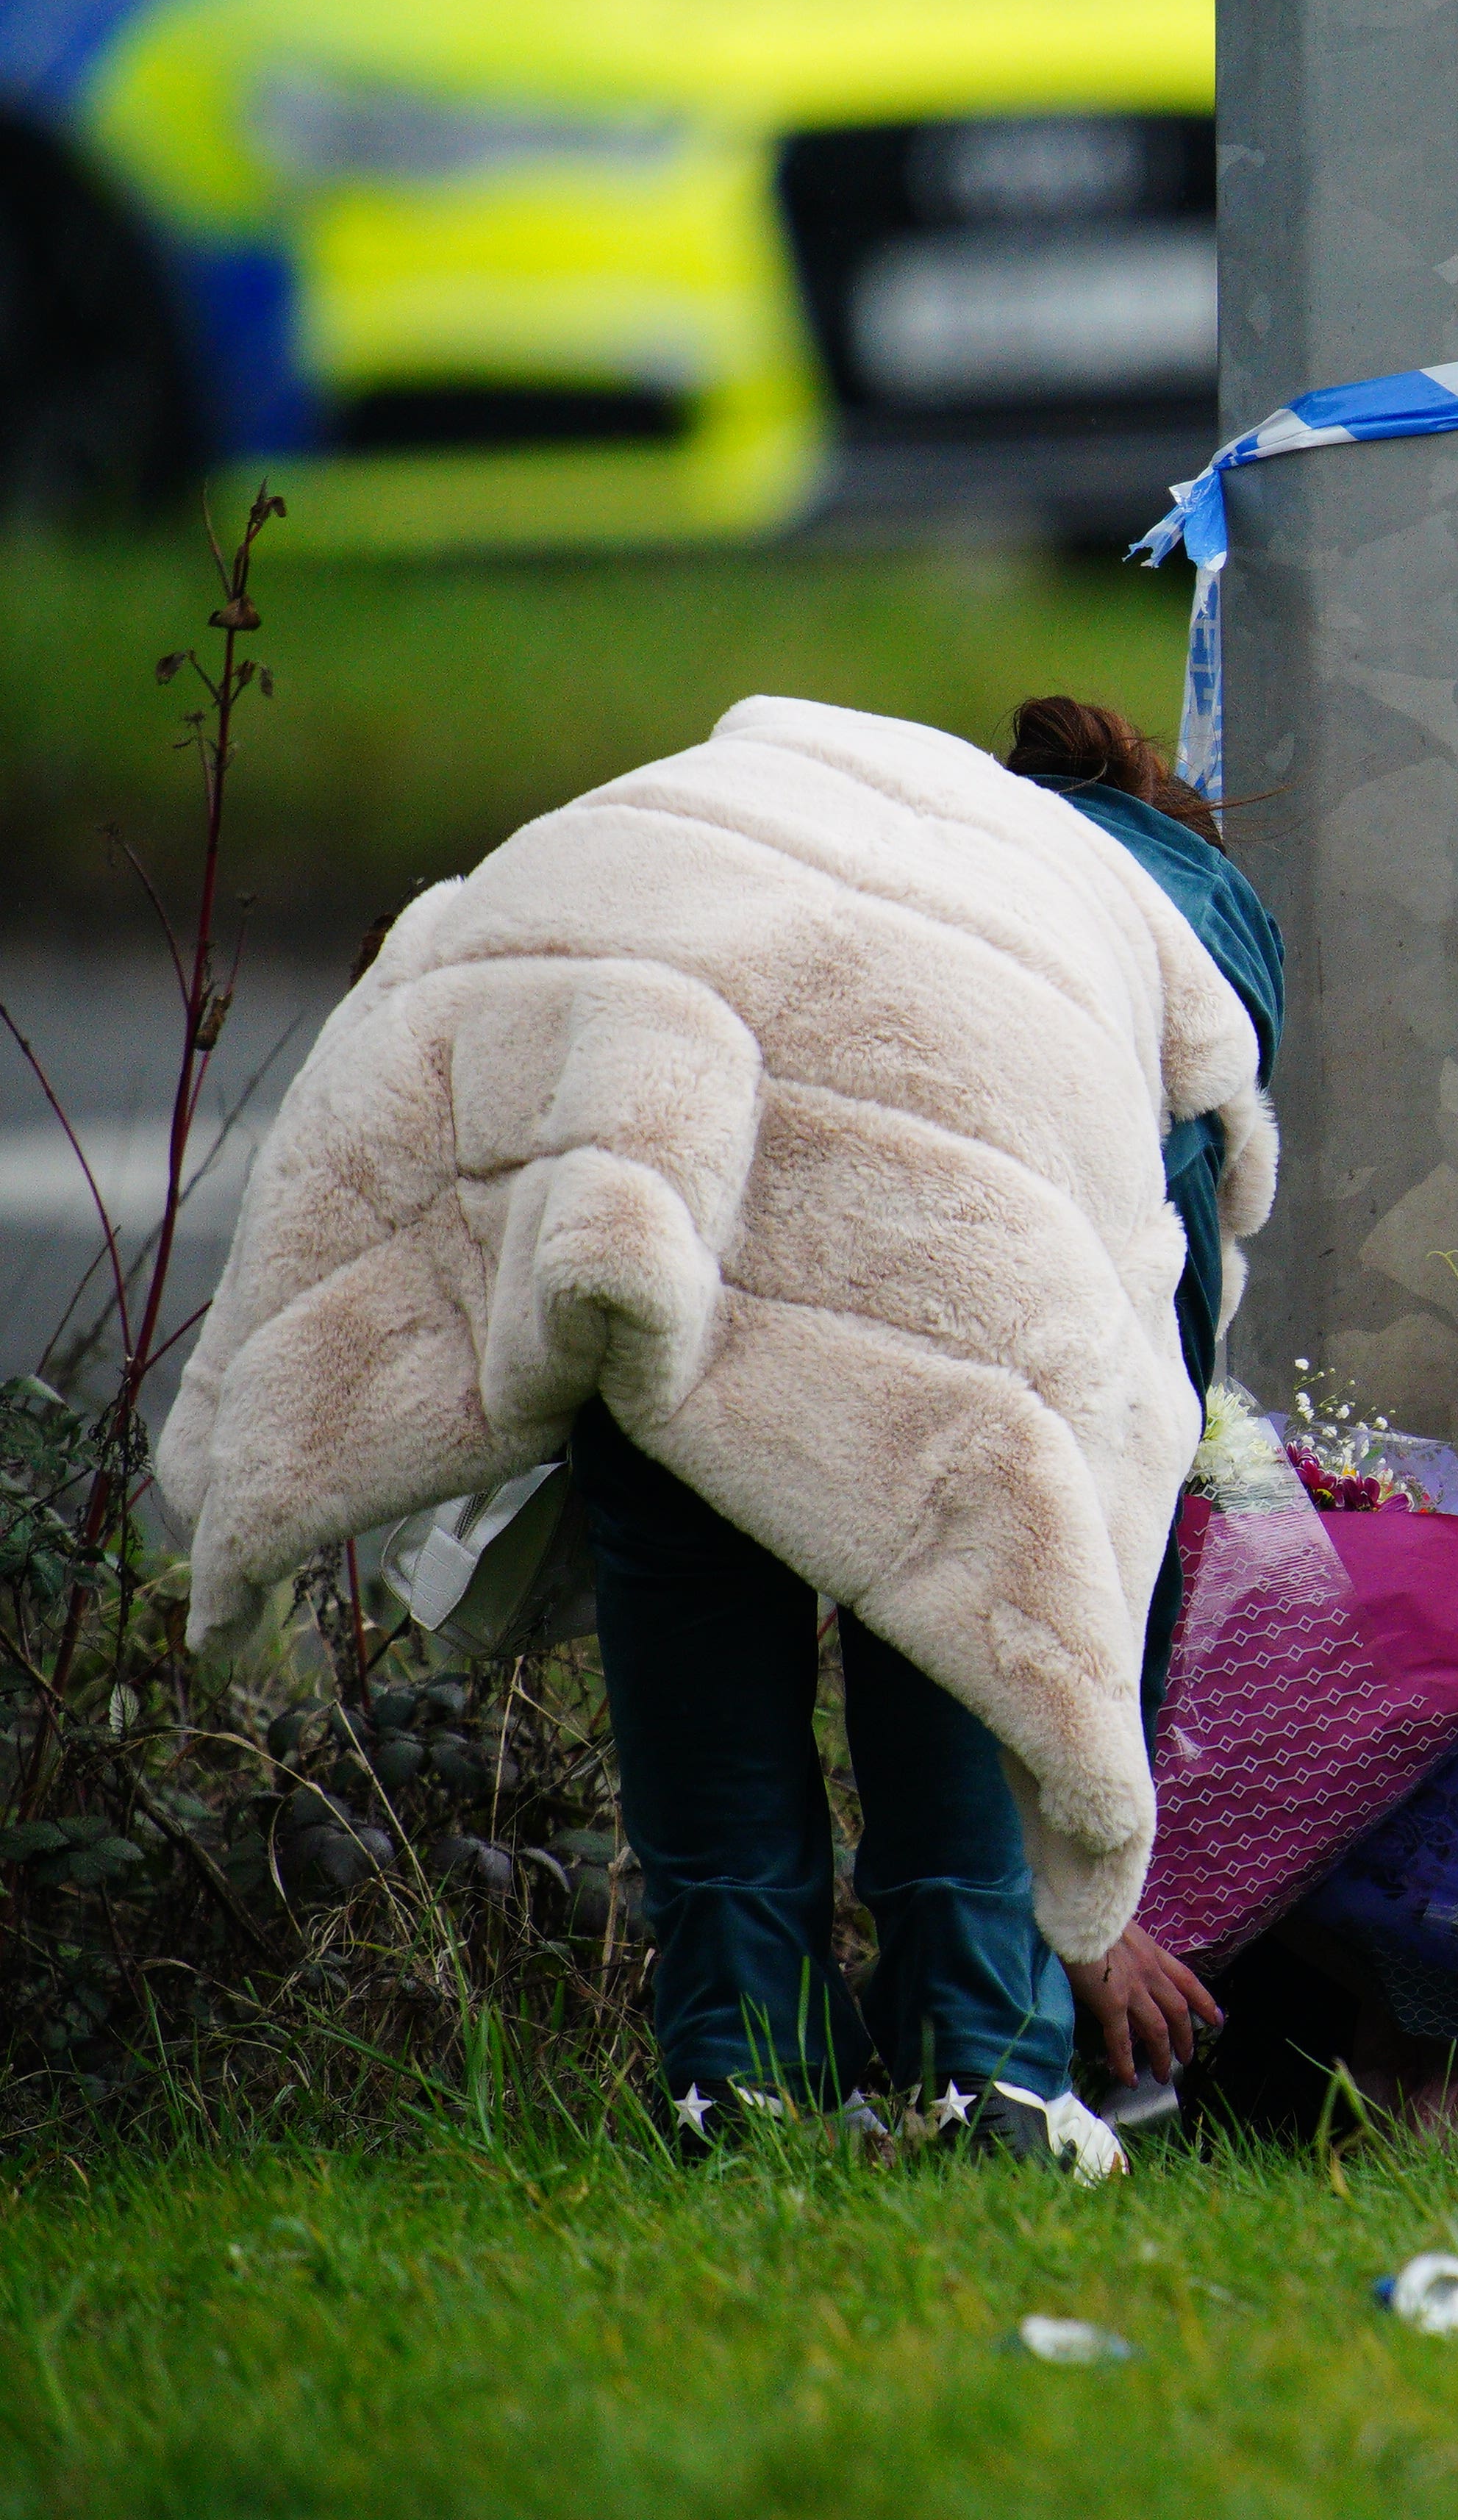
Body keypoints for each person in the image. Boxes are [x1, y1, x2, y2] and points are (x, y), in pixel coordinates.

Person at [168, 693, 1276, 2174]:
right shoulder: (1170, 967)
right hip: (941, 1173)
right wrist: (1097, 1880)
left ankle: (737, 2079)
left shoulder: (854, 805)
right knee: (964, 1558)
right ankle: (988, 2076)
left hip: (632, 1103)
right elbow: (1115, 1479)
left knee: (680, 1476)